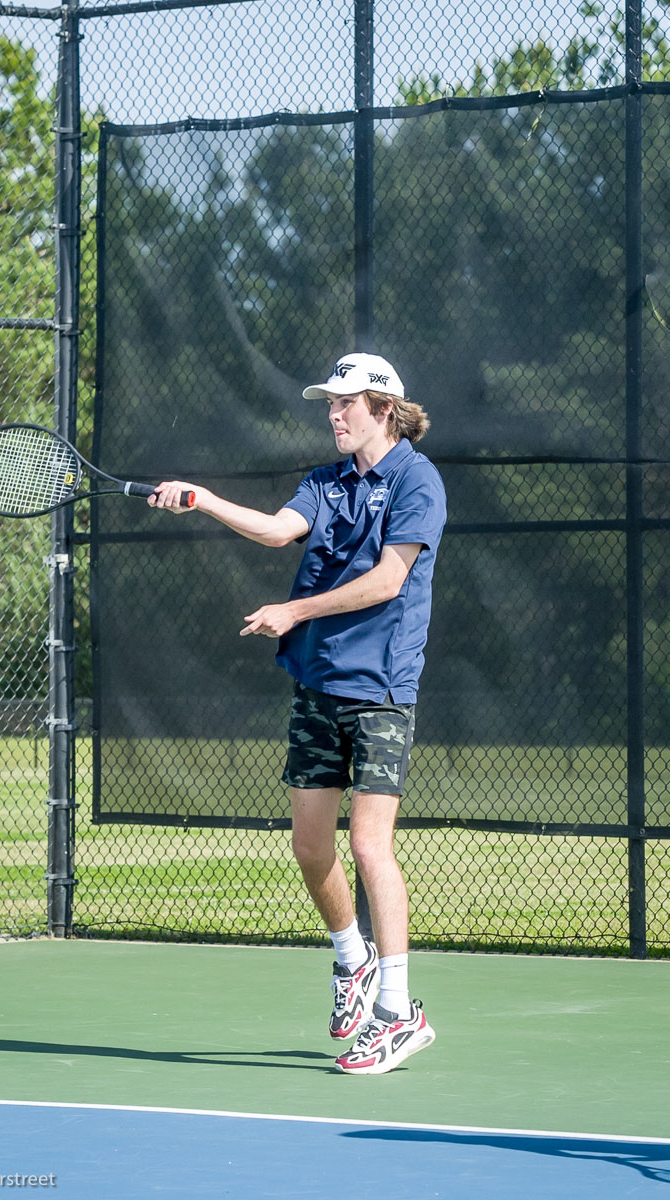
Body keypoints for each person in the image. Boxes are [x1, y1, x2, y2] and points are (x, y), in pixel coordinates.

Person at [150, 352, 447, 1075]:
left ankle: (399, 1014)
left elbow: (387, 578)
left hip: (379, 689)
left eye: (345, 403)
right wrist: (205, 500)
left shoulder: (416, 481)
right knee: (311, 848)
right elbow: (280, 529)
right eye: (329, 404)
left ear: (383, 407)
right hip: (317, 685)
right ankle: (353, 960)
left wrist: (294, 609)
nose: (332, 414)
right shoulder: (326, 481)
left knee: (370, 847)